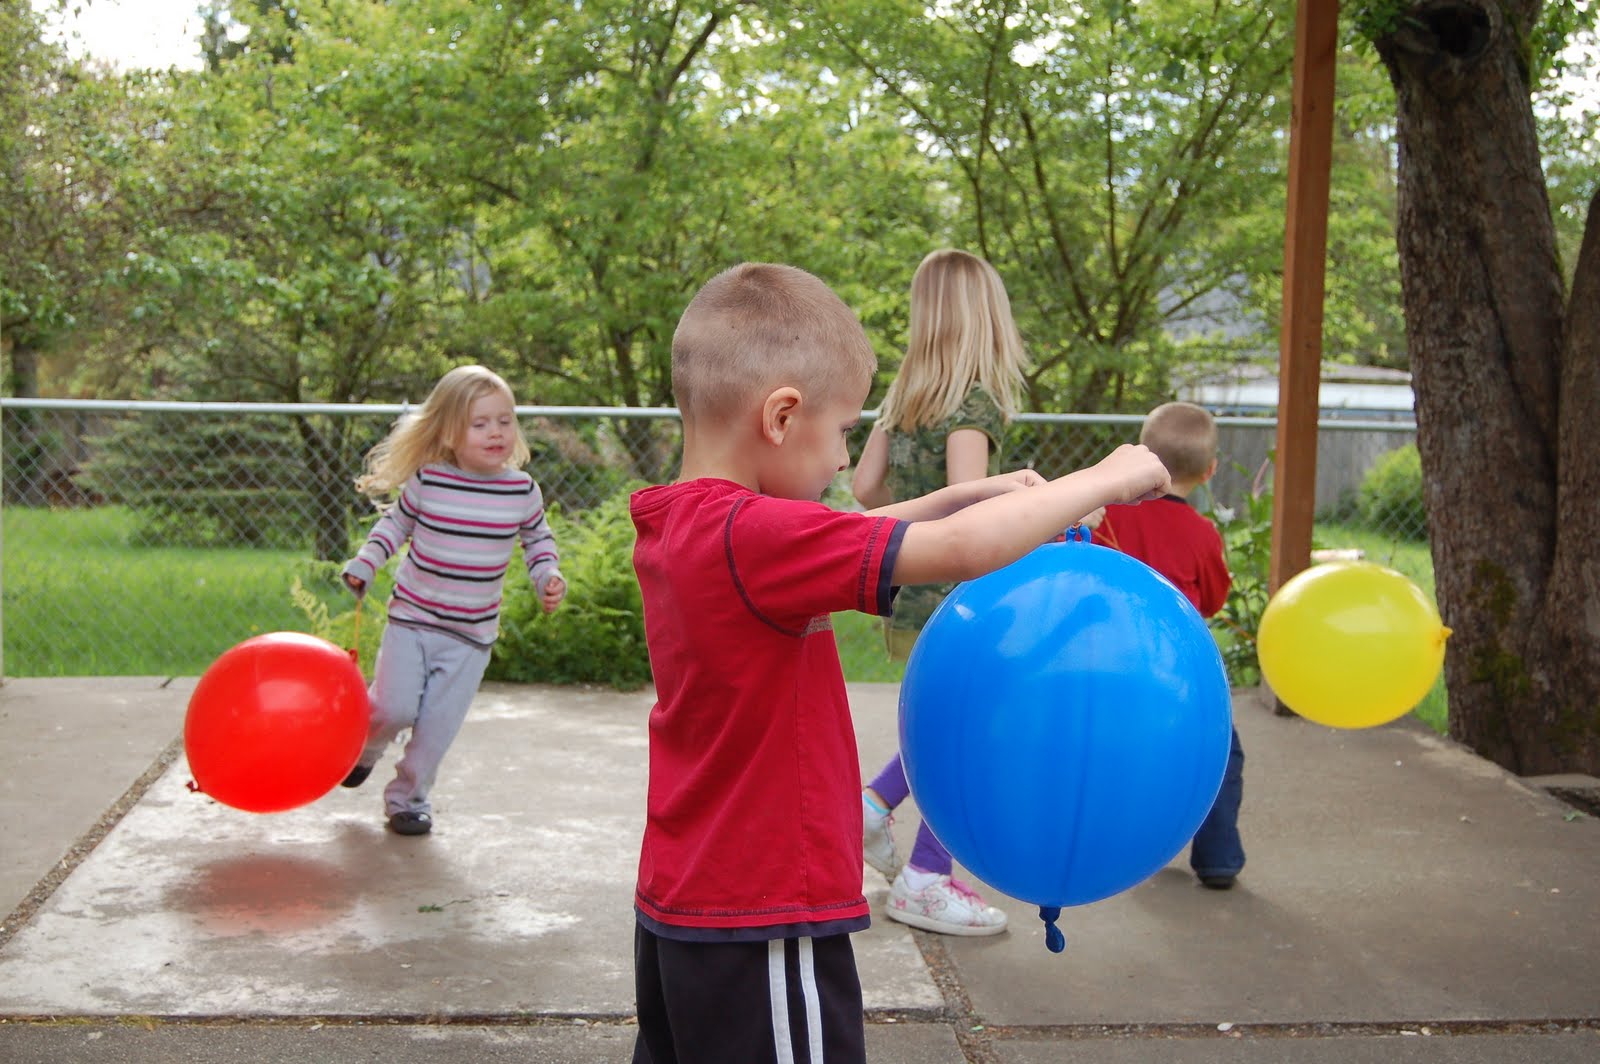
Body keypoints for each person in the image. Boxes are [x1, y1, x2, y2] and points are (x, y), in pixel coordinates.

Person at [629, 261, 1169, 1063]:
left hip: (687, 900)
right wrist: (1111, 474)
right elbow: (958, 553)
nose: (845, 461)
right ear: (781, 416)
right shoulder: (754, 534)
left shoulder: (685, 524)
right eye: (844, 431)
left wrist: (966, 495)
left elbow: (873, 529)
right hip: (763, 909)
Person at [849, 249, 1027, 936]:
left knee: (948, 728)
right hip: (963, 598)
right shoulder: (975, 400)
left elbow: (866, 490)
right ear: (988, 316)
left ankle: (871, 808)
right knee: (971, 740)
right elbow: (971, 505)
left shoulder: (905, 397)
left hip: (912, 589)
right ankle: (926, 878)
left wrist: (913, 495)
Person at [340, 365, 566, 837]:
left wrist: (548, 575)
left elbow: (538, 541)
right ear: (448, 430)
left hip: (469, 638)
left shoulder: (521, 491)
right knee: (394, 709)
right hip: (412, 623)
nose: (496, 432)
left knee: (434, 732)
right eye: (480, 423)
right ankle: (365, 749)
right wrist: (366, 563)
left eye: (505, 421)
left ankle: (407, 800)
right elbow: (393, 527)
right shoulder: (429, 481)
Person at [1093, 400, 1244, 889]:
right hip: (1181, 672)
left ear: (1142, 455)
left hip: (1114, 664)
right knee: (1220, 753)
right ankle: (1218, 857)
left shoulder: (1110, 519)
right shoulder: (1202, 534)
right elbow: (1216, 598)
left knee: (1121, 754)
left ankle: (1120, 848)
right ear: (1210, 470)